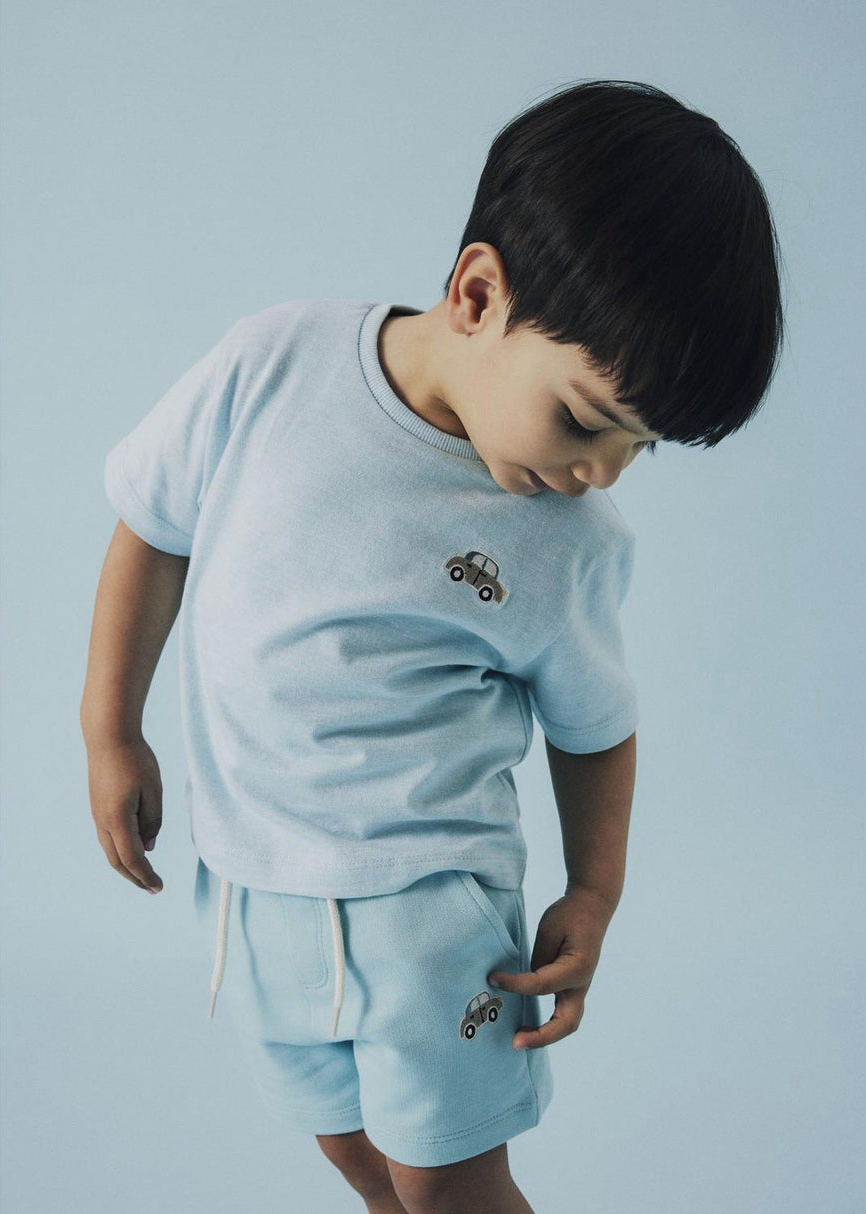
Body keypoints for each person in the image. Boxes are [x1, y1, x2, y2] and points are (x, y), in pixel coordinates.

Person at [79, 78, 783, 1214]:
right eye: (584, 418)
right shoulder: (270, 366)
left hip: (428, 919)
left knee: (448, 1183)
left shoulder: (568, 541)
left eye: (638, 446)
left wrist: (594, 888)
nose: (600, 470)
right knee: (354, 1154)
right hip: (252, 885)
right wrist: (110, 725)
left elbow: (595, 725)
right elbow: (154, 525)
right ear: (477, 293)